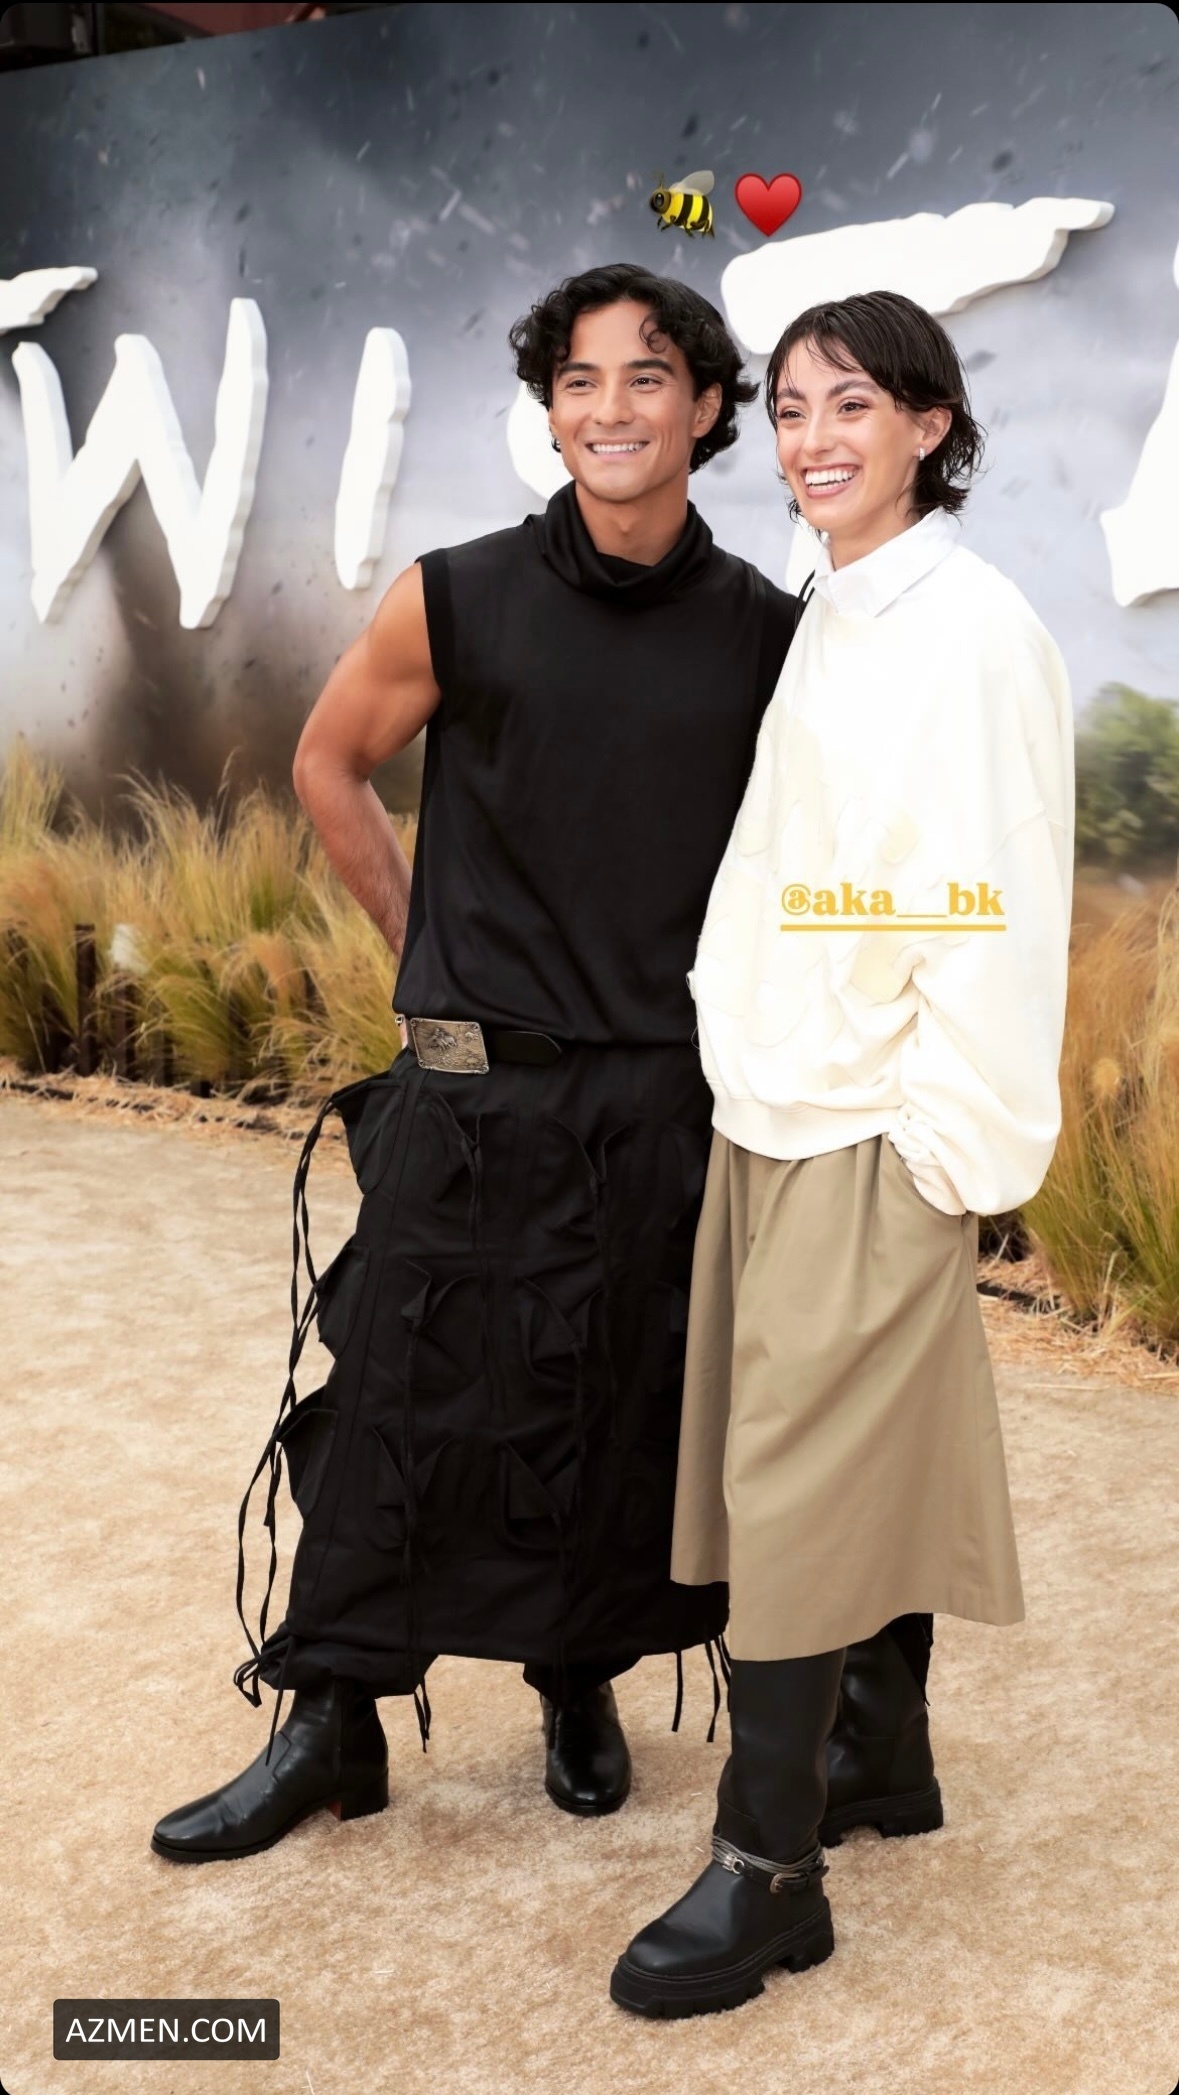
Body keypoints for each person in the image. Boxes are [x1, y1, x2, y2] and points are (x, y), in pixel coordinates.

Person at [148, 263, 795, 1864]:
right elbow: (329, 761)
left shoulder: (764, 636)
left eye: (647, 378)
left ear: (708, 407)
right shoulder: (458, 595)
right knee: (402, 1404)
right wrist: (422, 955)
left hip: (657, 1100)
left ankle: (578, 1680)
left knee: (616, 1408)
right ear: (549, 412)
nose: (610, 410)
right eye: (579, 381)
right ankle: (330, 1722)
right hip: (474, 1092)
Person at [610, 289, 1075, 2016]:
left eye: (853, 406)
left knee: (797, 1485)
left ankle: (769, 1871)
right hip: (781, 1101)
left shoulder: (972, 630)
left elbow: (1000, 901)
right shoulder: (840, 602)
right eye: (794, 409)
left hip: (878, 1123)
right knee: (831, 1456)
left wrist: (952, 1155)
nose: (812, 440)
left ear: (930, 427)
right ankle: (883, 1756)